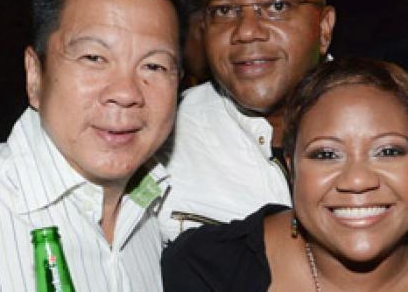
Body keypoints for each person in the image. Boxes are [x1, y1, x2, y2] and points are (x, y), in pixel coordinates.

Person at [0, 0, 188, 291]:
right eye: (94, 58)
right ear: (35, 75)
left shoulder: (148, 216)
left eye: (154, 66)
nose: (126, 93)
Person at [158, 0, 336, 239]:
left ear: (323, 27)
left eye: (276, 6)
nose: (246, 30)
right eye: (224, 10)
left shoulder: (392, 122)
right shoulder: (161, 137)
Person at [162, 56, 408, 291]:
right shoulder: (206, 269)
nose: (357, 180)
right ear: (292, 168)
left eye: (388, 151)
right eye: (326, 154)